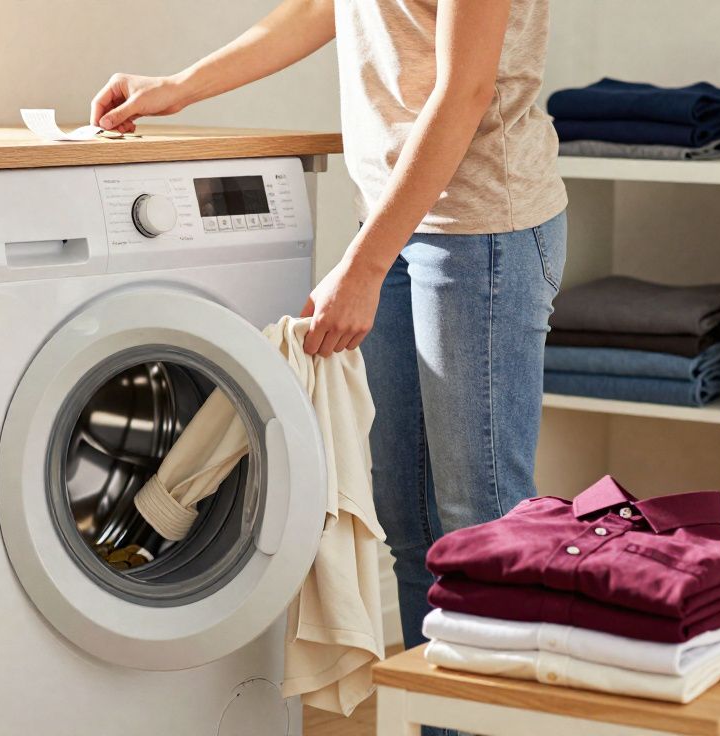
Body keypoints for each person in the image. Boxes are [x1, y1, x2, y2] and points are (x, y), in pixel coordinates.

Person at [91, 0, 567, 691]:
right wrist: (177, 86)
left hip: (480, 232)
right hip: (398, 220)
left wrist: (365, 266)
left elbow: (465, 91)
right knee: (412, 530)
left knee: (479, 531)